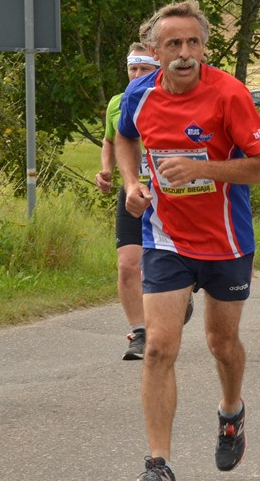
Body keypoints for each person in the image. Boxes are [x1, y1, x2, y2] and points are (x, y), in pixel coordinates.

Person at [115, 0, 260, 480]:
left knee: (220, 344)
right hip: (166, 237)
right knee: (160, 346)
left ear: (204, 46)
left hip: (226, 240)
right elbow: (125, 138)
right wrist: (130, 184)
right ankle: (158, 463)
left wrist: (200, 168)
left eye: (193, 43)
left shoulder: (229, 95)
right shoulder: (138, 95)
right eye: (173, 44)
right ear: (154, 50)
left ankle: (231, 411)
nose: (185, 53)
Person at [97, 42, 193, 360]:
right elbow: (111, 139)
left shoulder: (170, 100)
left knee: (178, 262)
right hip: (134, 191)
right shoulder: (117, 103)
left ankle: (180, 289)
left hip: (172, 194)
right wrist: (106, 171)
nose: (136, 75)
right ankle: (139, 333)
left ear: (157, 70)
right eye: (131, 69)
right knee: (127, 265)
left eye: (143, 69)